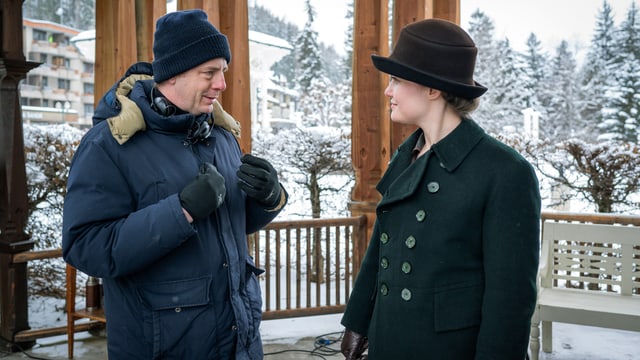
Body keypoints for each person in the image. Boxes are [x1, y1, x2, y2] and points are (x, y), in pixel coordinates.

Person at [62, 9, 287, 359]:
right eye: (209, 73)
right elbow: (85, 245)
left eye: (223, 72)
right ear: (173, 74)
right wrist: (180, 211)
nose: (222, 84)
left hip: (239, 344)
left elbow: (231, 221)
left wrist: (268, 197)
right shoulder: (107, 145)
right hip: (163, 347)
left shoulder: (222, 137)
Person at [340, 18, 540, 360]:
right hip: (390, 339)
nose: (388, 91)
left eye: (397, 80)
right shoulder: (409, 154)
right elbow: (383, 248)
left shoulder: (505, 172)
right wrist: (358, 320)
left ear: (433, 89)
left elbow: (510, 300)